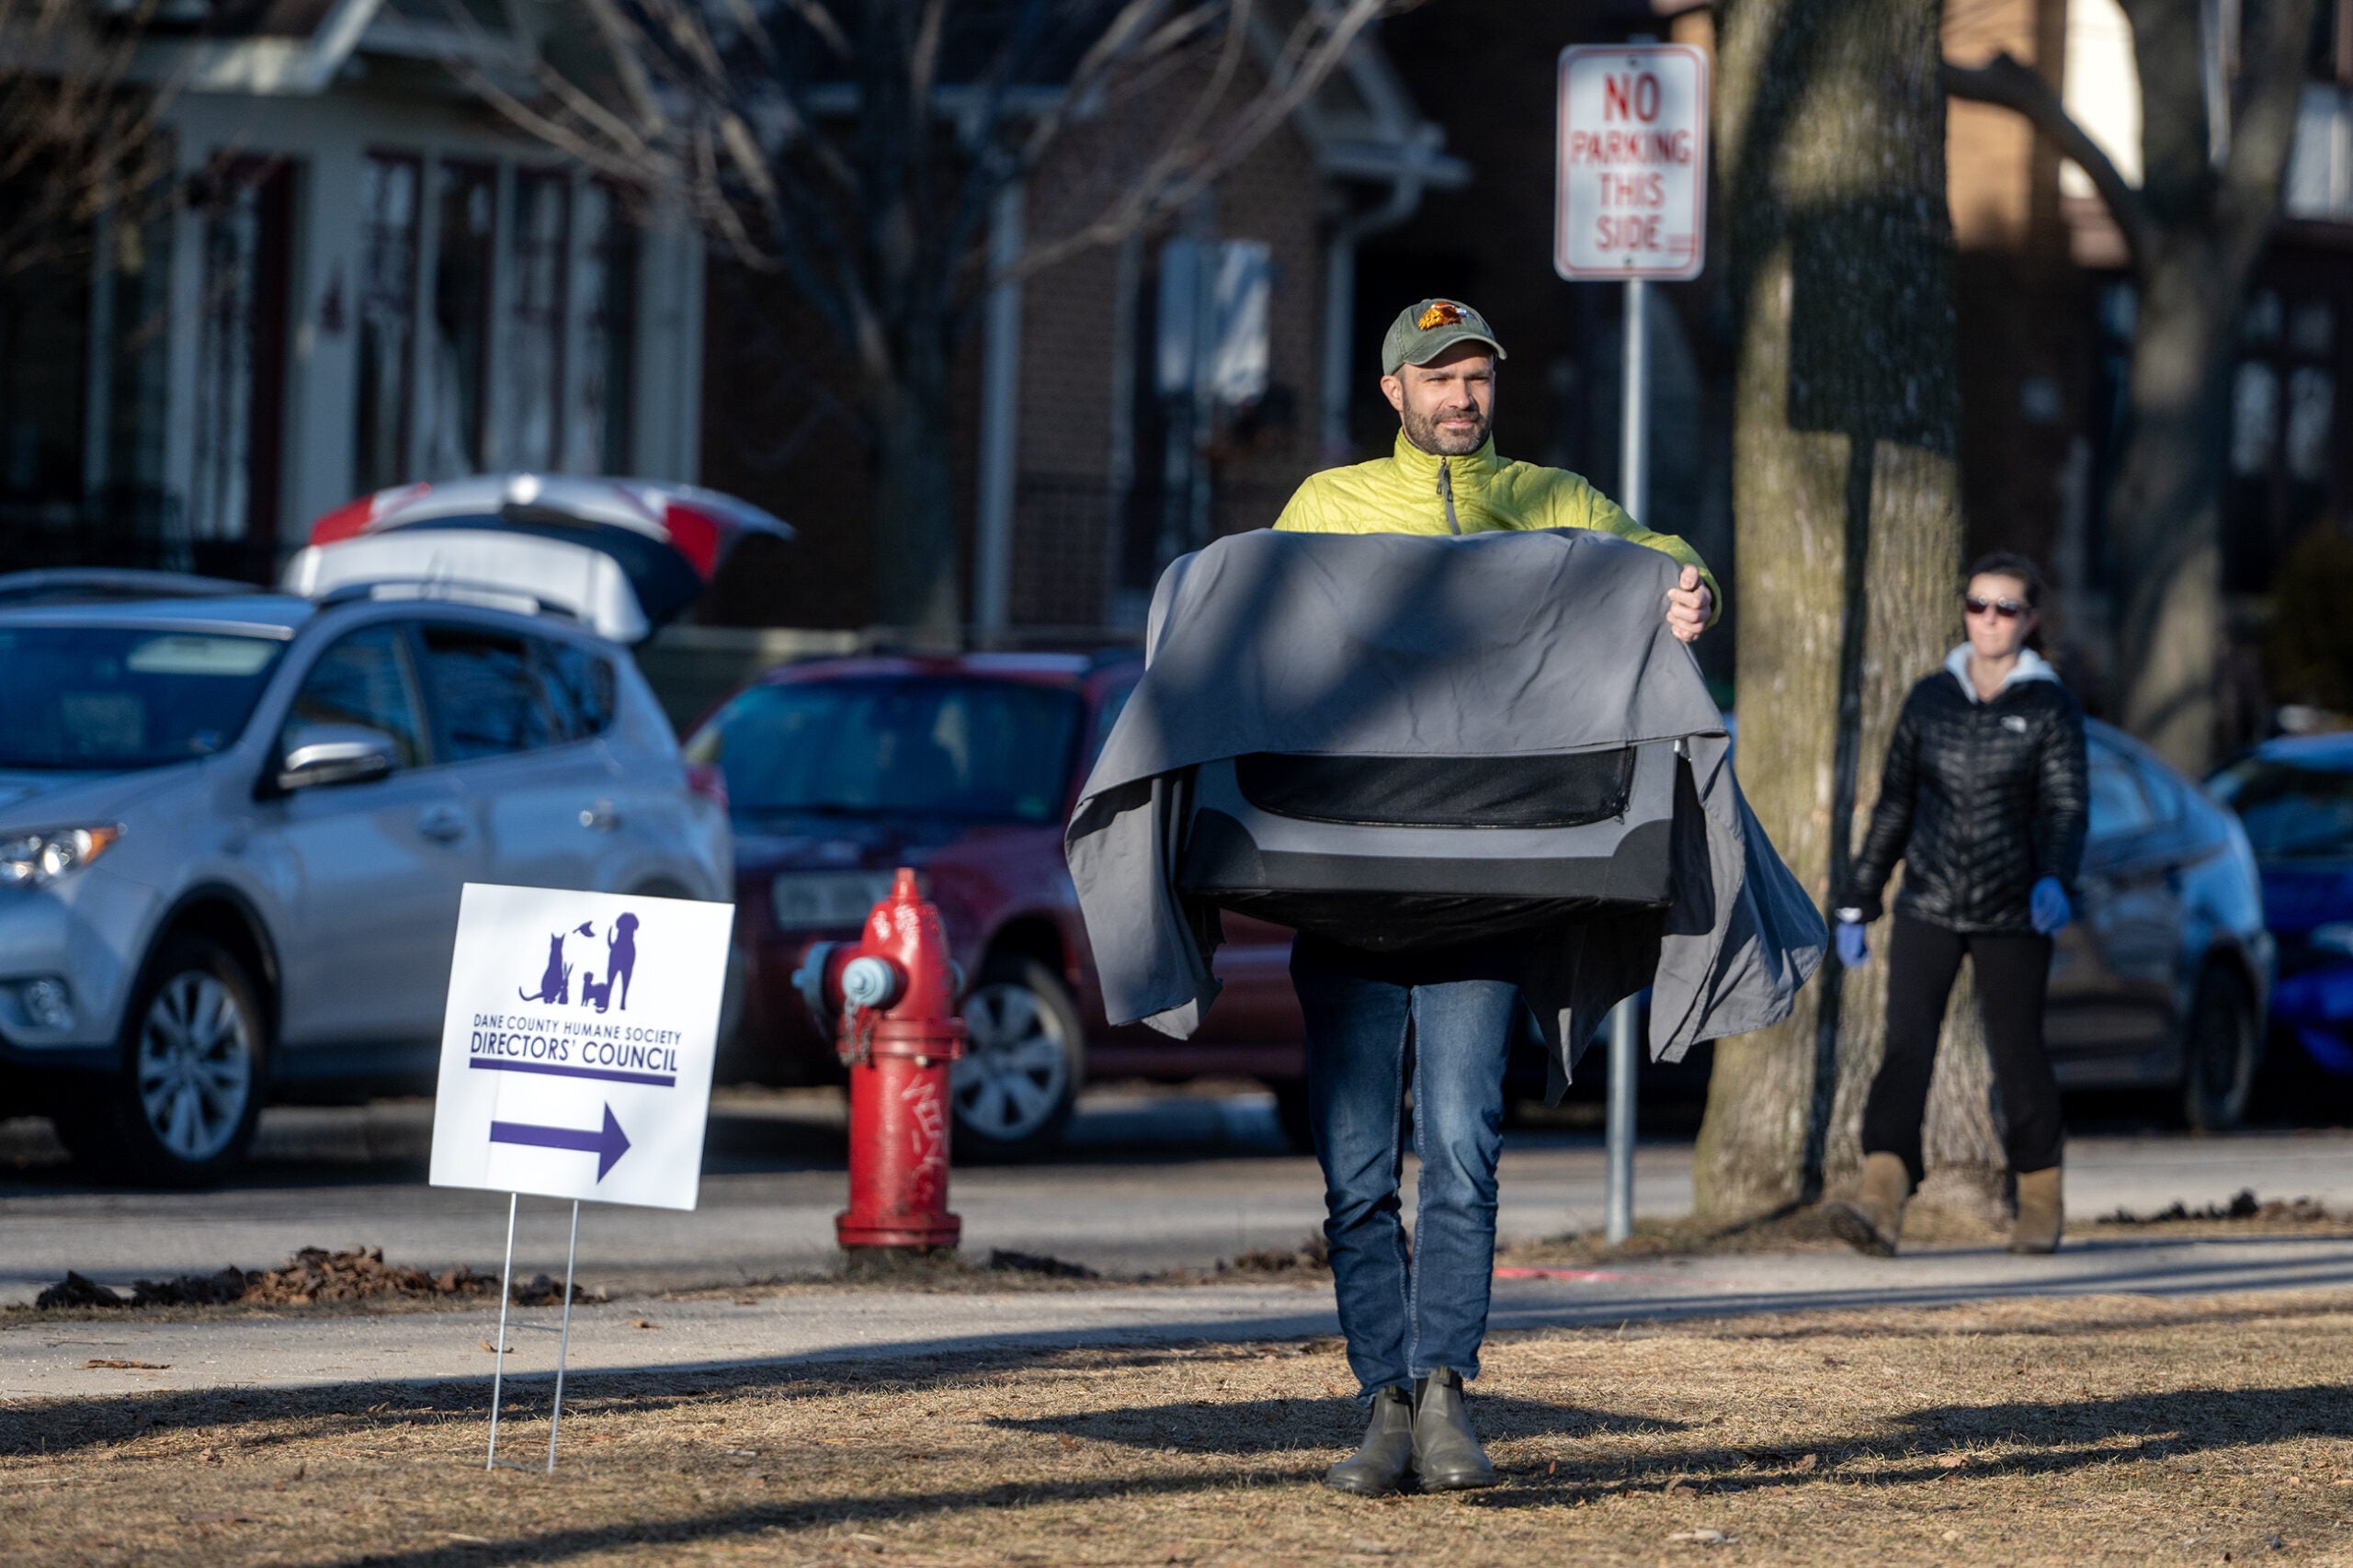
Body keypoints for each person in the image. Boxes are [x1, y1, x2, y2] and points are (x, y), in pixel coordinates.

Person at [1273, 298, 1717, 1496]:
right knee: (1358, 1170)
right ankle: (1384, 1400)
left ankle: (1450, 1391)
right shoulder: (1327, 506)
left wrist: (1688, 592)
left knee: (1462, 1148)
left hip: (1483, 890)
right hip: (1348, 890)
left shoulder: (1556, 497)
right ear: (1394, 392)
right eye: (1438, 378)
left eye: (1476, 375)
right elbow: (1255, 642)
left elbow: (1661, 559)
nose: (1461, 396)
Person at [1823, 551, 2087, 1259]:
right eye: (1977, 606)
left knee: (2019, 1054)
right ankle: (1880, 1199)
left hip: (2014, 909)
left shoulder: (2049, 704)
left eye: (2005, 609)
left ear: (2029, 620)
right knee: (1905, 1047)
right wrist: (1858, 896)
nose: (1989, 621)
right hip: (1929, 903)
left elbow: (2066, 808)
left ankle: (2039, 1199)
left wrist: (2056, 878)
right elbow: (1895, 806)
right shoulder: (1930, 698)